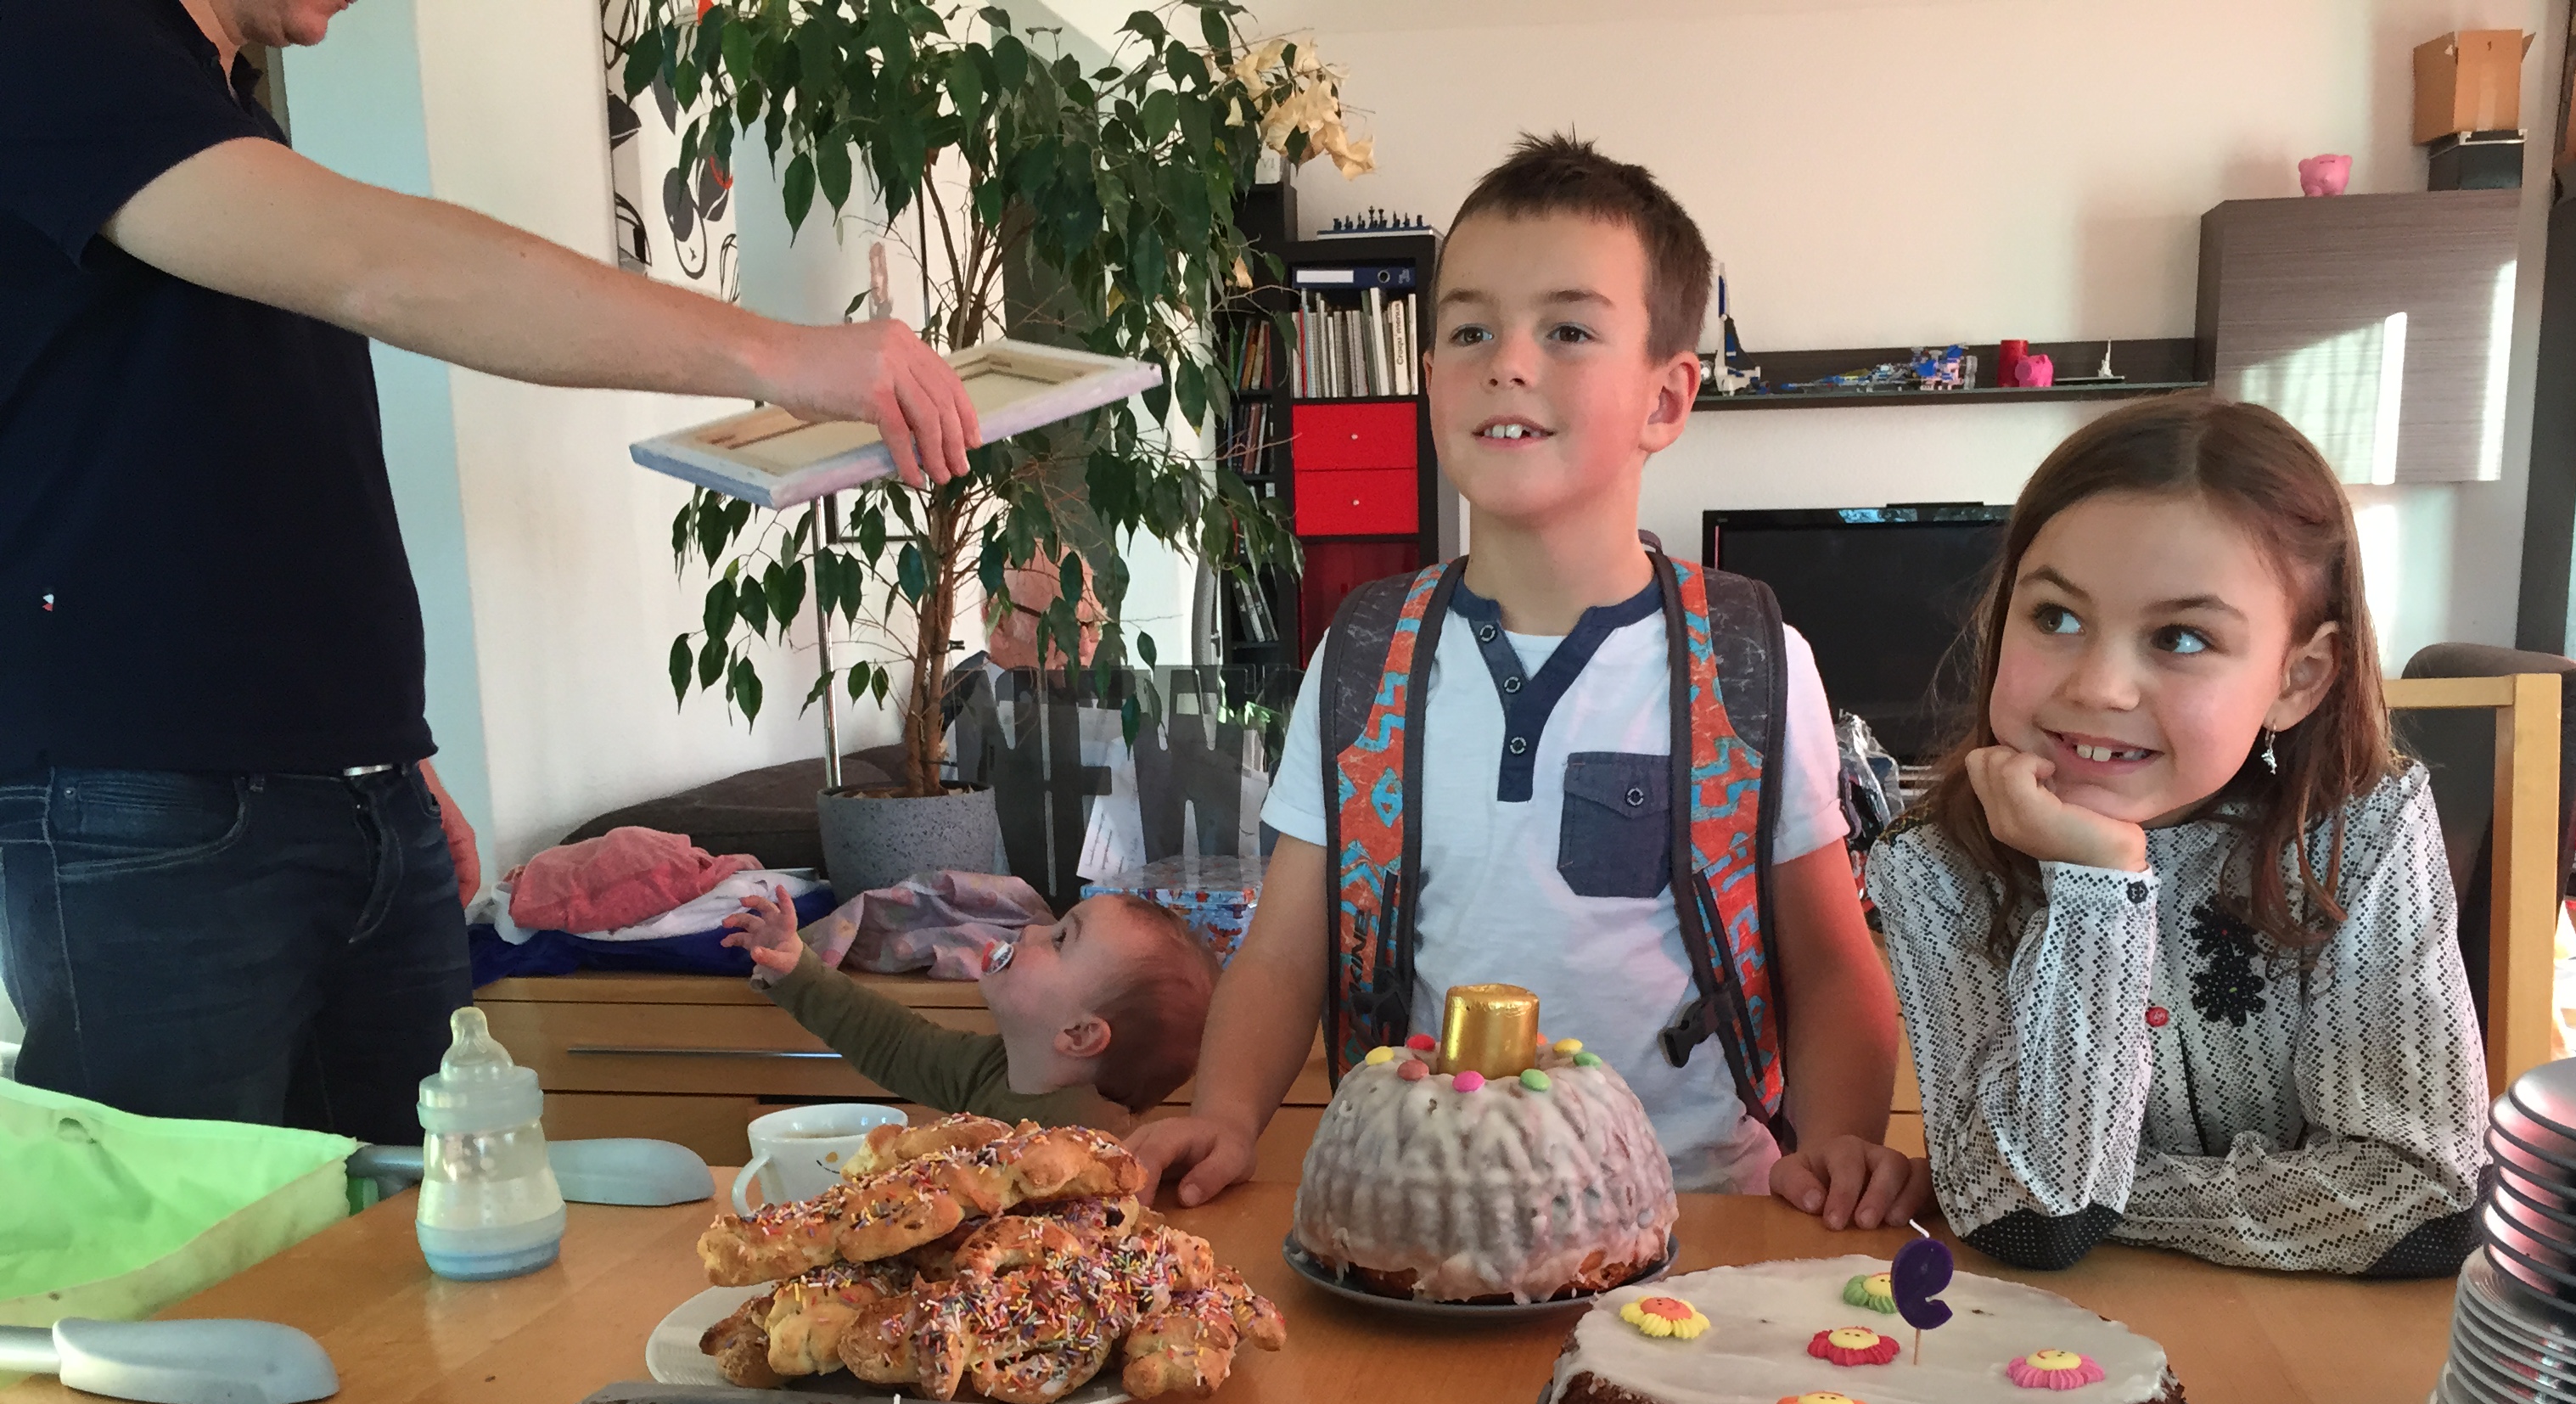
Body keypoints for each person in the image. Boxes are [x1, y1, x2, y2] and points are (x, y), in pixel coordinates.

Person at [0, 0, 979, 1143]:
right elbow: (382, 267)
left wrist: (386, 757)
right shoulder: (58, 39)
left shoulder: (222, 104)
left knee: (418, 1228)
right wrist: (784, 354)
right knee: (201, 1240)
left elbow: (247, 476)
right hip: (145, 800)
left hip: (358, 790)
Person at [1131, 134, 1915, 1225]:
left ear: (1666, 400)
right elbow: (1284, 948)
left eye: (1568, 330)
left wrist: (1835, 1153)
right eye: (1469, 330)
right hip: (1423, 1213)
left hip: (1698, 1217)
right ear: (1430, 379)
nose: (1507, 361)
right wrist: (1224, 1113)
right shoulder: (1362, 654)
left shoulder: (1750, 660)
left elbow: (1829, 964)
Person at [1863, 391, 2489, 1277]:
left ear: (2299, 678)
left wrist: (2101, 1192)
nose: (2099, 687)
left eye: (2182, 637)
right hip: (2051, 1334)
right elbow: (2032, 1227)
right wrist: (2098, 883)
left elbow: (2421, 1197)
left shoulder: (2364, 829)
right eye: (2056, 618)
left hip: (2310, 1337)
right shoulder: (1931, 865)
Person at [722, 885, 1216, 1128]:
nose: (1032, 930)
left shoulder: (1099, 1138)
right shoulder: (988, 1070)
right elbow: (890, 1041)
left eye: (1060, 939)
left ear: (1079, 1034)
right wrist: (798, 969)